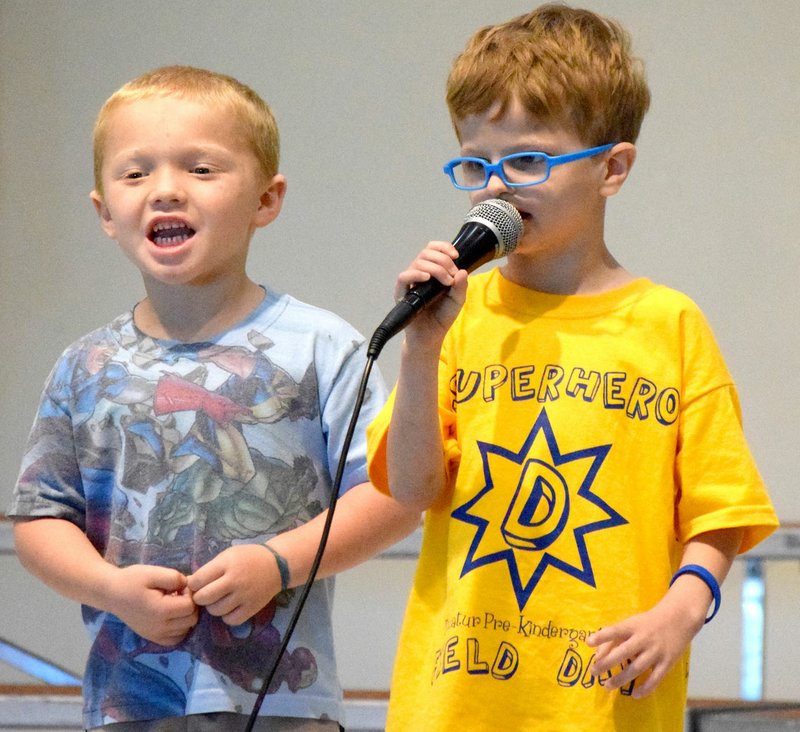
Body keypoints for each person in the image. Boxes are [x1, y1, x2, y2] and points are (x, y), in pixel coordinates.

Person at [365, 5, 778, 731]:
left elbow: (723, 511)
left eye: (526, 160)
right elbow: (411, 487)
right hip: (455, 703)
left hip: (601, 705)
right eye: (475, 164)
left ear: (611, 168)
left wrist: (681, 612)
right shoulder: (459, 315)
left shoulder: (670, 325)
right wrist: (421, 347)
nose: (497, 186)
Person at [8, 65, 419, 732]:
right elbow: (40, 522)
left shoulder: (323, 348)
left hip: (282, 702)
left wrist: (278, 563)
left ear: (266, 199)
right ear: (104, 212)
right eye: (136, 174)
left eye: (201, 169)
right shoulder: (85, 366)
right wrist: (111, 589)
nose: (165, 191)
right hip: (128, 703)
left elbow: (391, 496)